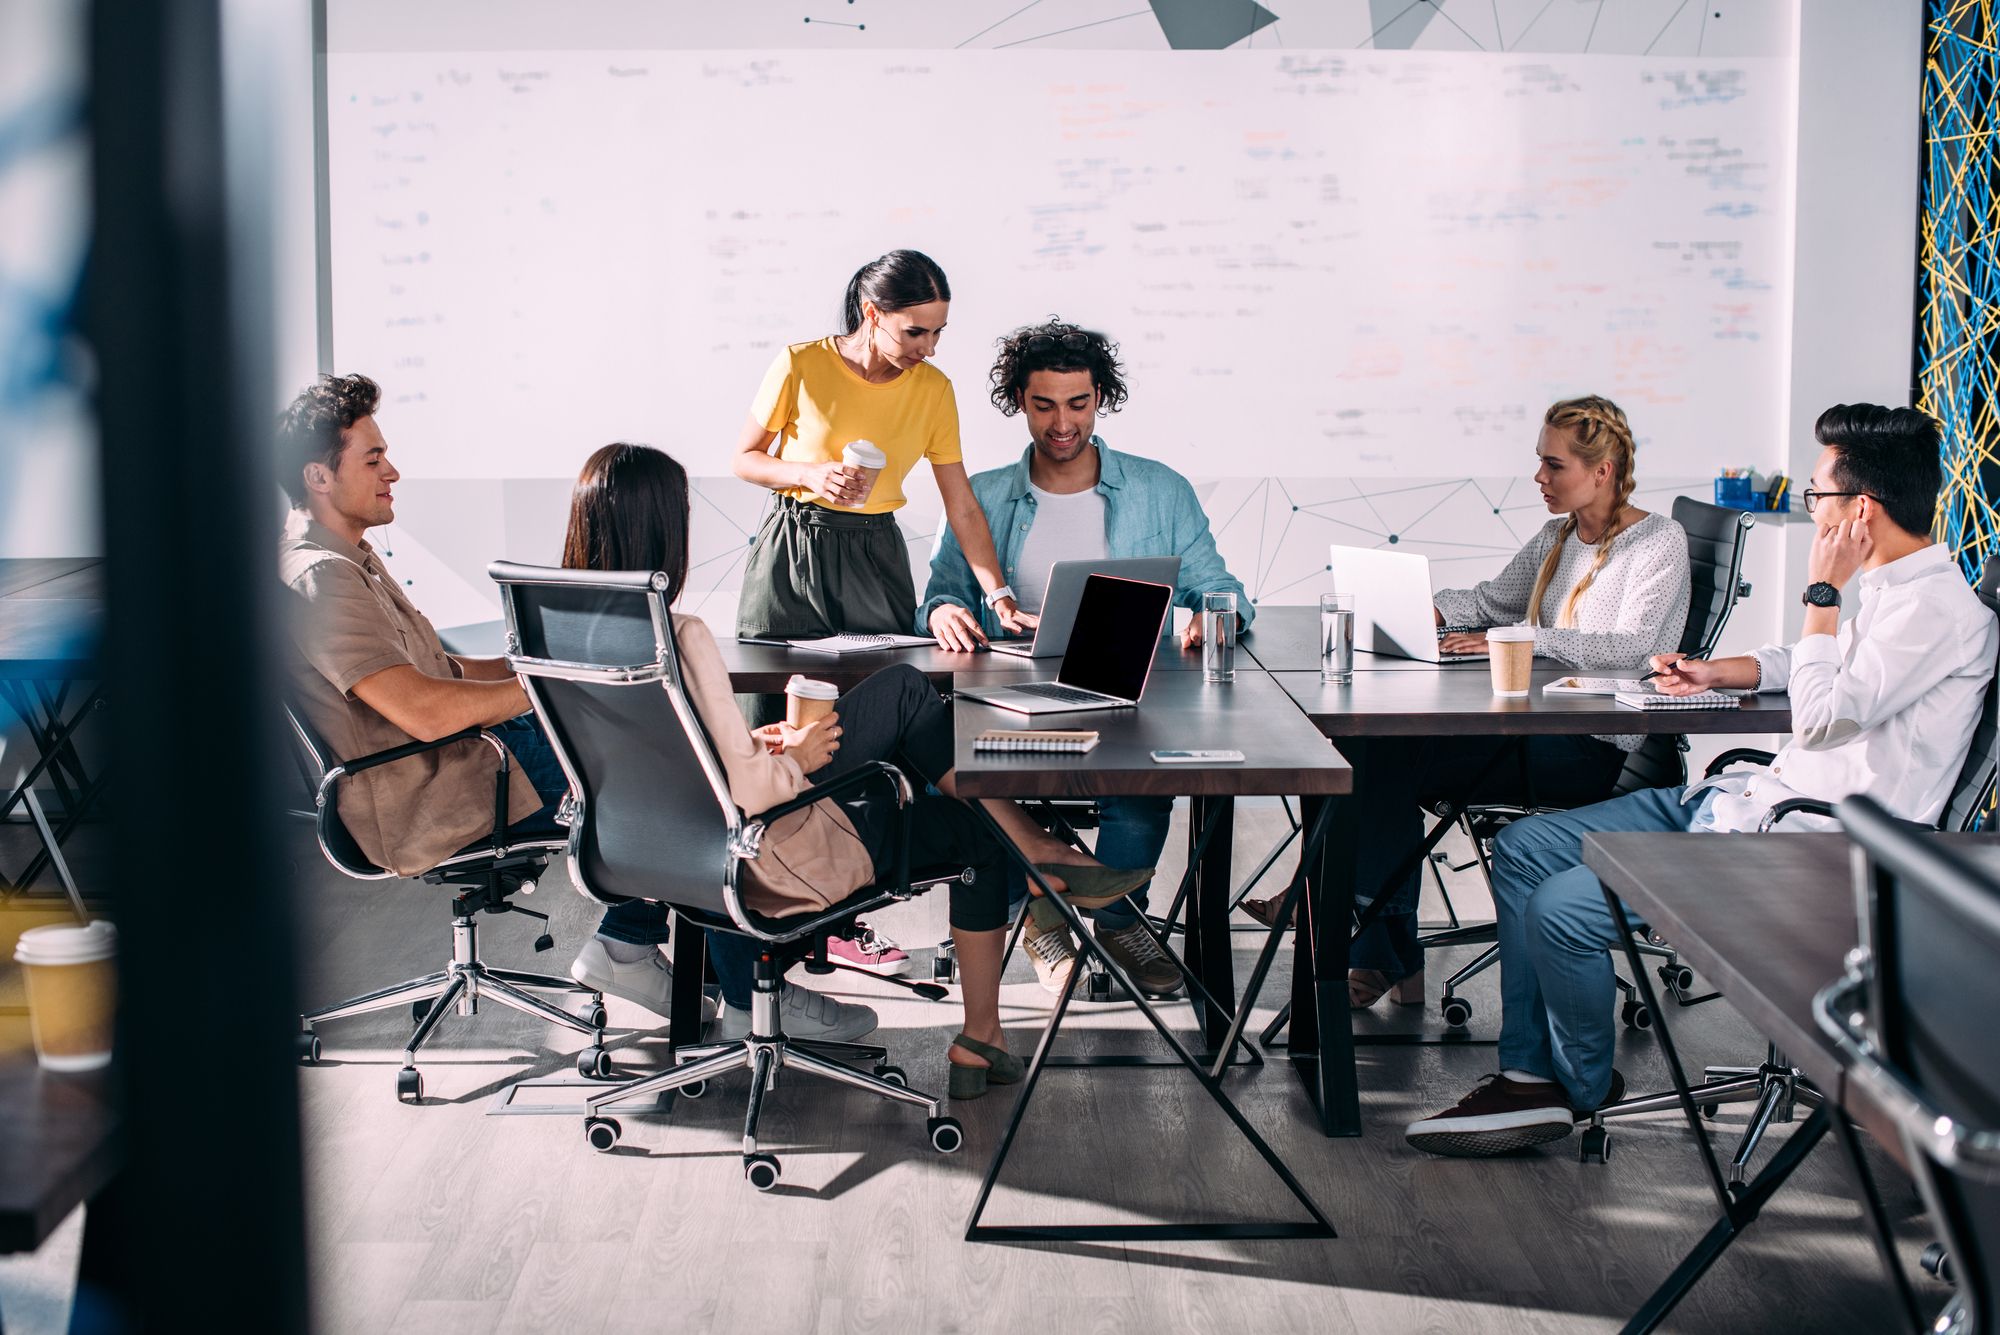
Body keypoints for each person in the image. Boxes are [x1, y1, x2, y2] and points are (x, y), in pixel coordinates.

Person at [1405, 404, 1997, 1157]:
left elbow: (1819, 718)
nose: (1813, 512)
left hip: (1805, 848)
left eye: (1818, 497)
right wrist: (1724, 669)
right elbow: (1810, 664)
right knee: (1525, 847)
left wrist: (1822, 591)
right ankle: (1533, 1075)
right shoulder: (1895, 592)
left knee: (1559, 908)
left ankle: (1567, 1088)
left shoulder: (1935, 612)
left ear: (1861, 511)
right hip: (1745, 806)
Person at [569, 443, 1152, 1094]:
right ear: (661, 531)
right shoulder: (679, 634)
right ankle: (1011, 941)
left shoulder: (570, 635)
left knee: (907, 705)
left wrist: (760, 740)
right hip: (764, 852)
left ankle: (1035, 869)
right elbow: (747, 790)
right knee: (936, 758)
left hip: (649, 857)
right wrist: (795, 757)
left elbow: (674, 760)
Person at [274, 374, 789, 1039]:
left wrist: (544, 664)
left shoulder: (352, 559)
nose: (392, 471)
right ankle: (750, 997)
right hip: (427, 792)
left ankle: (630, 943)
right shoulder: (322, 576)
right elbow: (424, 712)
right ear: (319, 476)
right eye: (373, 459)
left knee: (665, 761)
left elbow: (446, 671)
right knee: (694, 785)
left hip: (456, 763)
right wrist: (553, 687)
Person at [1274, 395, 1692, 1010]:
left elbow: (1636, 647)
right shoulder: (1558, 535)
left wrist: (1522, 637)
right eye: (1540, 462)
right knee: (1373, 744)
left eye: (1554, 466)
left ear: (1601, 471)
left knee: (1385, 756)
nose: (1539, 478)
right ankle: (1379, 943)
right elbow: (1496, 600)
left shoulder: (1658, 542)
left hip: (1589, 745)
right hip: (1533, 728)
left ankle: (1352, 921)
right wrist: (1427, 606)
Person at [918, 318, 1253, 1000]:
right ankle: (1051, 914)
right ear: (1019, 401)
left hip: (1125, 695)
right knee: (971, 777)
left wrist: (1211, 618)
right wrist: (942, 612)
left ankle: (1107, 914)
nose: (1062, 423)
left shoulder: (1160, 489)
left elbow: (1222, 589)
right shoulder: (981, 494)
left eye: (1077, 404)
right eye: (1044, 405)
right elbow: (939, 595)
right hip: (1006, 695)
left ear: (1100, 397)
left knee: (1142, 785)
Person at [731, 249, 1027, 978]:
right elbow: (745, 457)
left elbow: (960, 501)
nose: (928, 348)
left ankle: (841, 904)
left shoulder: (932, 389)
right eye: (916, 332)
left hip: (874, 554)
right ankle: (756, 930)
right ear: (873, 314)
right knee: (770, 729)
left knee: (878, 727)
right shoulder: (800, 363)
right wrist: (806, 472)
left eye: (938, 332)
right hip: (792, 548)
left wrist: (996, 593)